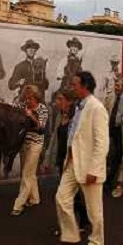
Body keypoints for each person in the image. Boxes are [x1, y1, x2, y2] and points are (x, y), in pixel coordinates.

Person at [50, 71, 109, 245]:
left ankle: (96, 244)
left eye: (75, 84)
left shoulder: (96, 108)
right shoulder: (79, 107)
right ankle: (69, 236)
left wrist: (95, 169)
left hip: (89, 166)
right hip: (72, 162)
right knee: (61, 198)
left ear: (85, 86)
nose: (71, 86)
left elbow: (102, 142)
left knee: (94, 210)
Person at [53, 89, 90, 232]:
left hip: (74, 160)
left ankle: (74, 225)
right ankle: (82, 220)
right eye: (57, 99)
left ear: (69, 101)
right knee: (70, 194)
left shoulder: (77, 118)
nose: (57, 102)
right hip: (62, 158)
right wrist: (51, 159)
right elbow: (55, 140)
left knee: (67, 194)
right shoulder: (60, 115)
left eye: (60, 99)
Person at [11, 85, 49, 215]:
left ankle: (19, 204)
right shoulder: (22, 106)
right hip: (23, 143)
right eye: (26, 98)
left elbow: (41, 128)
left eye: (30, 98)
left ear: (36, 98)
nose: (27, 101)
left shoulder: (43, 109)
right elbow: (12, 113)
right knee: (29, 172)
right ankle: (34, 198)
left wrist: (31, 116)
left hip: (36, 144)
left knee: (27, 173)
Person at [103, 76, 123, 196]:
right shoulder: (111, 97)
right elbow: (106, 110)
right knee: (112, 156)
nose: (116, 87)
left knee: (117, 157)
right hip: (110, 129)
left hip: (121, 131)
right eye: (115, 85)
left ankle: (111, 182)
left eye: (118, 85)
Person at [8, 39, 49, 105]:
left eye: (33, 48)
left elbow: (46, 86)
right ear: (25, 50)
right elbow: (11, 85)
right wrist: (19, 82)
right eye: (29, 48)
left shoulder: (40, 65)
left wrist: (43, 74)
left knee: (45, 113)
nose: (31, 50)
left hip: (39, 100)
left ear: (36, 51)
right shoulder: (20, 66)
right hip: (25, 100)